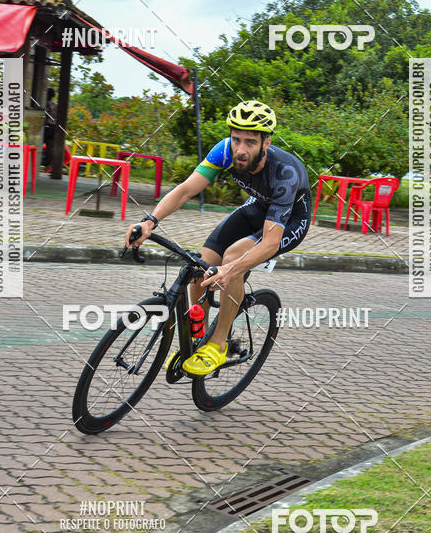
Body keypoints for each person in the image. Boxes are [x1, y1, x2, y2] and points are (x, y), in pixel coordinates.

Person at [125, 100, 312, 376]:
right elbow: (186, 190)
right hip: (257, 207)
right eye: (236, 140)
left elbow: (271, 242)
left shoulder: (285, 173)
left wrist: (231, 270)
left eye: (250, 142)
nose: (241, 149)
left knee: (233, 259)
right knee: (201, 267)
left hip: (289, 221)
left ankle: (218, 344)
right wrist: (150, 221)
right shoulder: (224, 151)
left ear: (266, 143)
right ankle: (198, 340)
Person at [42, 88, 58, 167]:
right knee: (50, 147)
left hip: (47, 126)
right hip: (54, 127)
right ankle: (50, 164)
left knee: (38, 143)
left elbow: (45, 116)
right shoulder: (55, 104)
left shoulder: (46, 104)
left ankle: (44, 161)